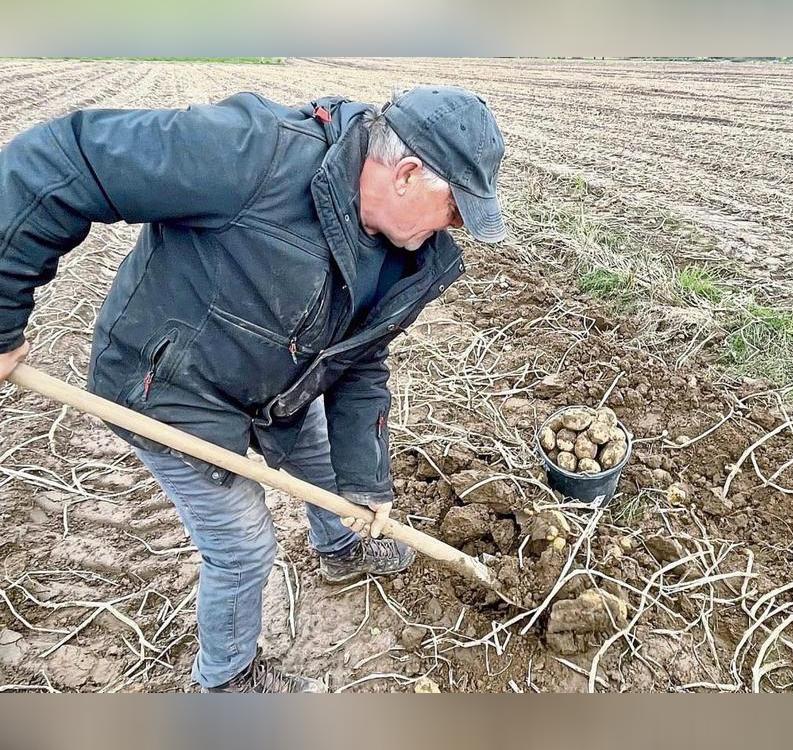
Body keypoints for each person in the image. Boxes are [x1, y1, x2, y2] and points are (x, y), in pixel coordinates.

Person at [0, 85, 506, 692]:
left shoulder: (412, 259)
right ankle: (226, 680)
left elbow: (363, 362)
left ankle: (340, 548)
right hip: (171, 384)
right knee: (242, 544)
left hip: (282, 383)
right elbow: (59, 162)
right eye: (455, 206)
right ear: (408, 173)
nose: (457, 226)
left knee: (323, 466)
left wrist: (367, 483)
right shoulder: (253, 153)